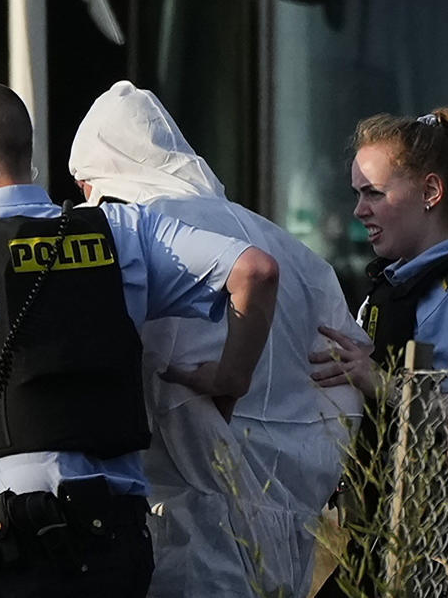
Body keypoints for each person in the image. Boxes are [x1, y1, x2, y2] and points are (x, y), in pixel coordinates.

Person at [0, 81, 279, 597]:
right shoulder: (122, 229)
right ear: (26, 153)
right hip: (120, 538)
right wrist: (231, 377)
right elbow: (255, 271)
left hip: (26, 544)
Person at [67, 81, 365, 598]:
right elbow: (341, 384)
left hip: (180, 533)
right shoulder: (295, 252)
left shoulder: (144, 239)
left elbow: (141, 374)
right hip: (289, 533)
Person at [310, 108, 448, 596]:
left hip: (432, 546)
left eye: (374, 192)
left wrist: (380, 382)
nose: (359, 210)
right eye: (358, 193)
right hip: (375, 530)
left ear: (430, 193)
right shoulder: (389, 286)